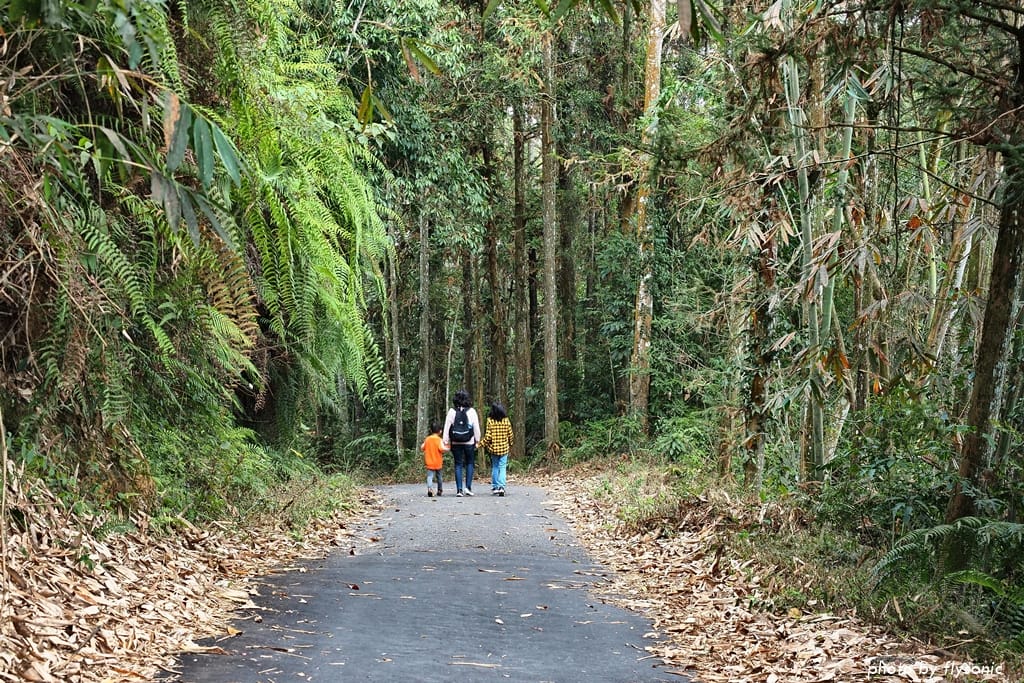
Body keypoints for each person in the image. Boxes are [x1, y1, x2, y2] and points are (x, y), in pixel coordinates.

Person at [442, 389, 481, 497]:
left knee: (458, 464)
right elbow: (476, 427)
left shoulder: (451, 411)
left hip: (456, 442)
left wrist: (445, 441)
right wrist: (477, 440)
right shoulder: (472, 411)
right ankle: (468, 487)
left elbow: (447, 427)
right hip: (469, 442)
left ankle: (459, 490)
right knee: (470, 463)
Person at [478, 402, 513, 497]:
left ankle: (495, 487)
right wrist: (510, 443)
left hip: (493, 449)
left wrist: (480, 444)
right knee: (502, 467)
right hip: (504, 449)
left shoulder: (490, 420)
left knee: (495, 467)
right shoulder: (506, 420)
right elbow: (510, 434)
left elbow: (488, 436)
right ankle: (501, 487)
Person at [421, 421, 447, 498]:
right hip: (438, 462)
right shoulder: (439, 440)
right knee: (439, 476)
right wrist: (447, 448)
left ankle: (430, 489)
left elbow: (422, 447)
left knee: (430, 476)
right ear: (440, 431)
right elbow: (441, 449)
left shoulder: (427, 439)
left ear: (431, 430)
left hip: (429, 462)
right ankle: (440, 490)